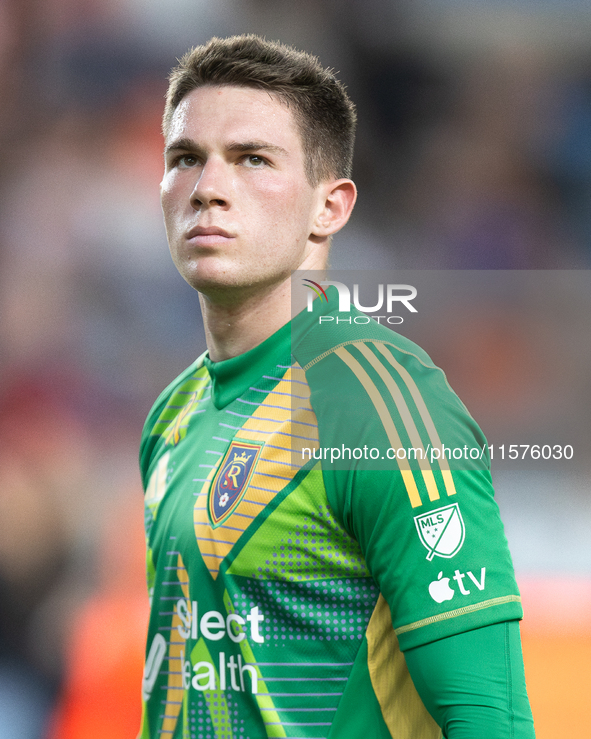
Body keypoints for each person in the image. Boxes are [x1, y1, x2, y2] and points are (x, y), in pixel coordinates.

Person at [139, 34, 535, 739]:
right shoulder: (172, 415)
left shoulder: (380, 404)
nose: (207, 187)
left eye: (251, 159)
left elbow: (492, 718)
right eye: (185, 158)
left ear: (330, 207)